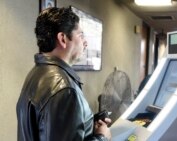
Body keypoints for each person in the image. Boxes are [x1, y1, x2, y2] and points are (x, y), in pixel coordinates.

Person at [16, 7, 111, 141]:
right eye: (81, 35)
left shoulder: (37, 73)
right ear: (63, 39)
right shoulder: (64, 89)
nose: (85, 42)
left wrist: (87, 123)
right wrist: (102, 137)